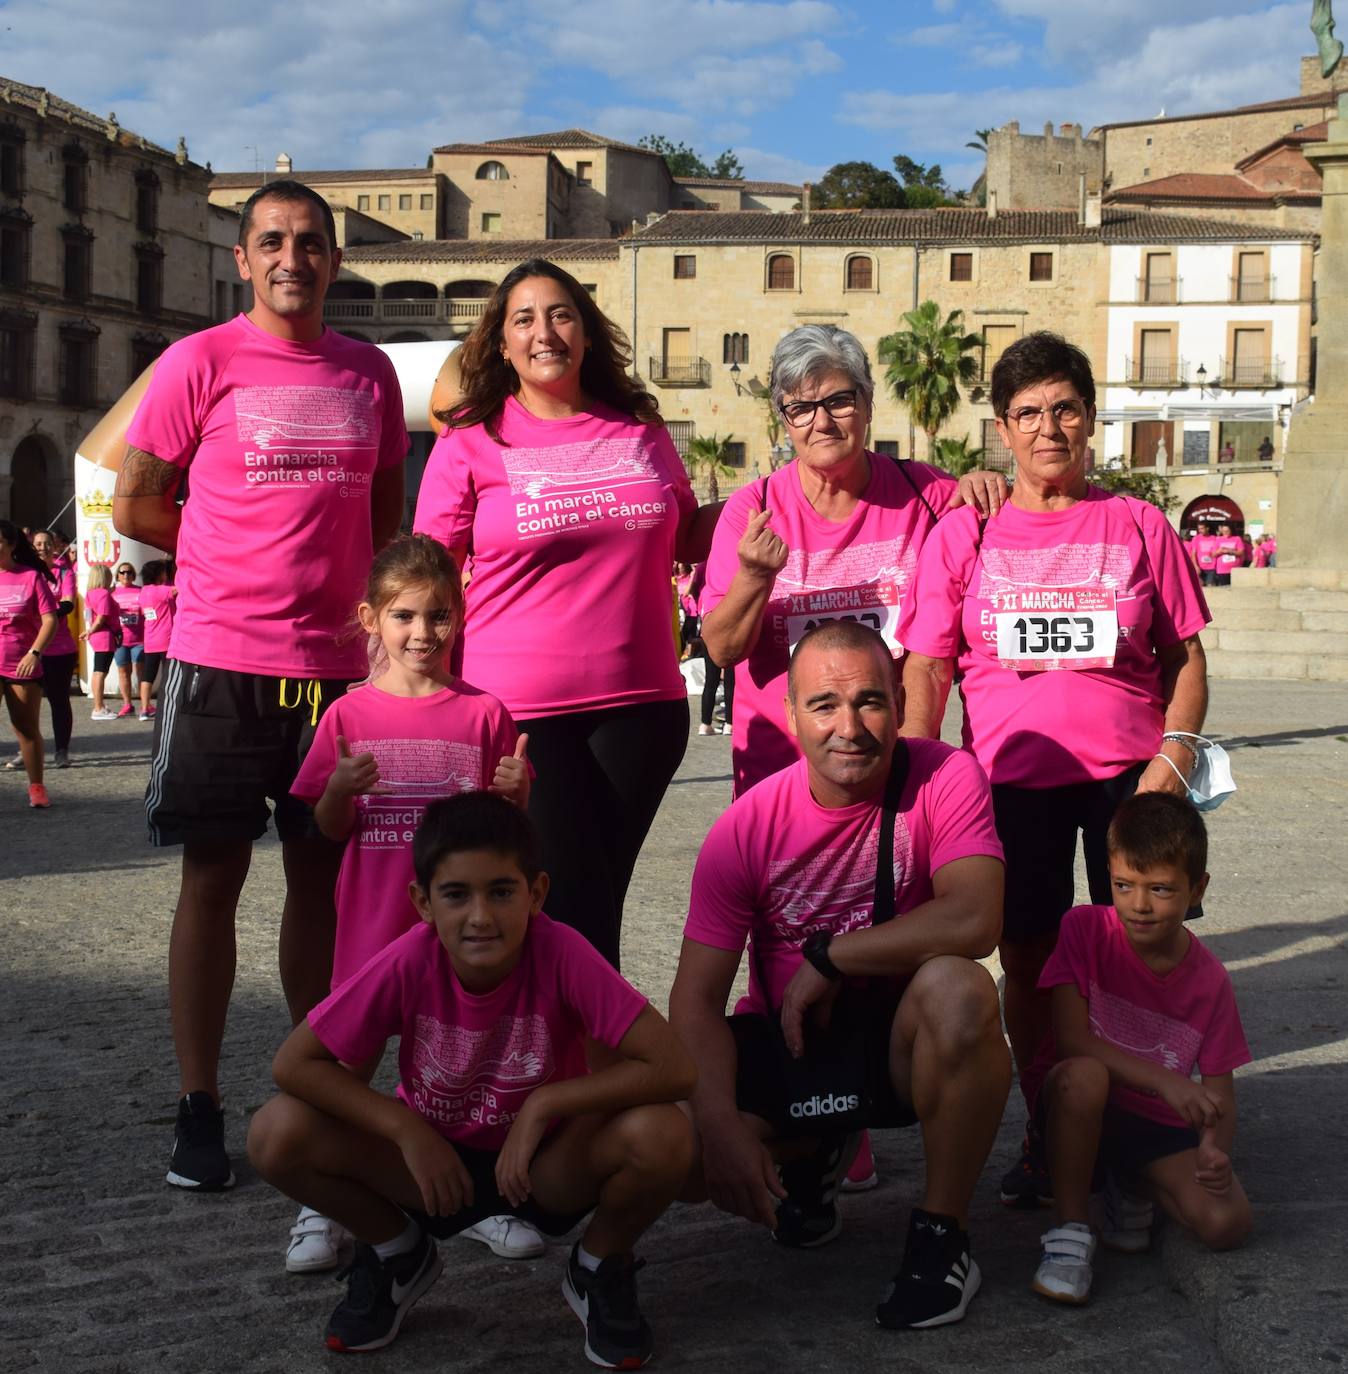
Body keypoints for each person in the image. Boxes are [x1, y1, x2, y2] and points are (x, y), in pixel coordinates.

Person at [112, 178, 409, 1191]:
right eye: (273, 241)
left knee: (322, 882)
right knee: (213, 878)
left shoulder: (369, 374)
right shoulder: (199, 360)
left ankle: (314, 1085)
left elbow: (383, 521)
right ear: (243, 259)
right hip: (221, 663)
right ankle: (199, 1102)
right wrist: (226, 560)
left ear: (334, 260)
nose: (294, 257)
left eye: (312, 242)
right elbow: (137, 504)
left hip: (335, 676)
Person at [898, 331, 1210, 1209]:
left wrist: (1174, 758)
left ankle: (1139, 1128)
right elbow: (926, 667)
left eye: (1065, 408)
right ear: (1003, 429)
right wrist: (923, 781)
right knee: (1029, 960)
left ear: (1089, 417)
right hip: (1011, 782)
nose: (1049, 428)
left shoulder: (1140, 523)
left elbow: (1186, 660)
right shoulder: (967, 530)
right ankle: (1047, 1123)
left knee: (1138, 955)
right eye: (1029, 413)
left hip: (1128, 782)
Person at [246, 792, 696, 1365]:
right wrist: (408, 1132)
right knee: (274, 1131)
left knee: (666, 1133)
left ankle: (598, 1267)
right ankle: (396, 1254)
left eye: (501, 891)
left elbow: (675, 1069)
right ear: (423, 902)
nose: (480, 916)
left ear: (536, 893)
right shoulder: (409, 959)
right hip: (434, 1169)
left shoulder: (562, 951)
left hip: (543, 1167)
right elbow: (293, 1064)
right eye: (456, 895)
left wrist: (544, 1105)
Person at [670, 622, 1009, 1331]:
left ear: (899, 703)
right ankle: (811, 1158)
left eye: (870, 702)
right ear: (790, 716)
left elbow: (976, 920)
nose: (849, 727)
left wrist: (831, 957)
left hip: (895, 1047)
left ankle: (941, 1235)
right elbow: (695, 1001)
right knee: (674, 1147)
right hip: (794, 1051)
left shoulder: (946, 774)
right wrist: (720, 1122)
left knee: (960, 988)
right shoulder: (744, 827)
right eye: (824, 704)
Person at [414, 257, 719, 970]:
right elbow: (427, 575)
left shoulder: (638, 429)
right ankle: (569, 1060)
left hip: (642, 709)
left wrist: (775, 497)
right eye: (524, 319)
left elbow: (681, 535)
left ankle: (583, 1061)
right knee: (562, 897)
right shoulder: (471, 439)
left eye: (561, 315)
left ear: (585, 333)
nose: (544, 332)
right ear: (501, 343)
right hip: (520, 716)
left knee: (599, 895)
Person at [286, 533, 536, 1273]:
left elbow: (508, 834)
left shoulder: (486, 713)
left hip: (462, 936)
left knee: (468, 1066)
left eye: (437, 617)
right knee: (345, 1063)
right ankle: (322, 1202)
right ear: (371, 619)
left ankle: (481, 1199)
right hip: (370, 924)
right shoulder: (346, 716)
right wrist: (337, 790)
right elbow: (326, 830)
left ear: (459, 619)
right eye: (404, 617)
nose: (422, 634)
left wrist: (520, 798)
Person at [699, 324, 1005, 799]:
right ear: (785, 420)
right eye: (801, 408)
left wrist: (985, 483)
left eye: (839, 401)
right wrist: (755, 576)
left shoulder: (927, 496)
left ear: (866, 404)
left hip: (893, 773)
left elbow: (1006, 529)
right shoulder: (752, 507)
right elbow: (722, 651)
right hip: (780, 777)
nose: (822, 422)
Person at [1029, 793, 1251, 1304]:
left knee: (1227, 1222)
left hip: (1155, 1133)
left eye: (1161, 889)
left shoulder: (1212, 981)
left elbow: (1221, 1095)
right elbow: (1071, 1042)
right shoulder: (1083, 931)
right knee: (1085, 1075)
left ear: (1198, 888)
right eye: (1124, 885)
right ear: (1107, 874)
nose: (1140, 905)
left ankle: (1126, 1184)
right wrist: (1165, 1080)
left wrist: (1216, 1151)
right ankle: (1070, 1233)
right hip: (1078, 1109)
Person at [0, 520, 59, 808]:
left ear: (11, 544)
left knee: (25, 727)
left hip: (21, 662)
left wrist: (34, 653)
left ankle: (37, 787)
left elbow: (51, 620)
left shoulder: (30, 576)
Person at [8, 530, 77, 769]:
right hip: (27, 650)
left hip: (59, 649)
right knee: (26, 707)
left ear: (55, 545)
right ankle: (25, 749)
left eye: (47, 543)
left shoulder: (64, 571)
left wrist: (47, 615)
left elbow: (68, 602)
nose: (43, 547)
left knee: (59, 701)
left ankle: (61, 751)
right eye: (38, 543)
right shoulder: (23, 572)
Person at [137, 559, 177, 722]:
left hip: (150, 640)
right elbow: (180, 589)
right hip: (167, 639)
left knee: (148, 676)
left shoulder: (143, 592)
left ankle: (144, 708)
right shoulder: (161, 590)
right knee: (169, 676)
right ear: (158, 574)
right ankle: (168, 707)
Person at [82, 564, 119, 720]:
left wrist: (90, 631)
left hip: (97, 636)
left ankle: (99, 705)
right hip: (104, 636)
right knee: (100, 672)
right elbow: (101, 617)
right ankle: (98, 707)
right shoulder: (103, 594)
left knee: (98, 671)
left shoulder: (90, 593)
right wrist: (91, 630)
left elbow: (92, 615)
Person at [1212, 521, 1244, 587]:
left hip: (1235, 569)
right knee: (1224, 590)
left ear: (1231, 530)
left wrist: (1229, 551)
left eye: (1227, 531)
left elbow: (1241, 552)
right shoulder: (1218, 539)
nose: (1225, 533)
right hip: (1222, 570)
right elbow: (1213, 554)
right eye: (1223, 531)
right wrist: (1219, 551)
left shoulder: (1237, 539)